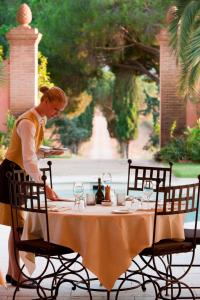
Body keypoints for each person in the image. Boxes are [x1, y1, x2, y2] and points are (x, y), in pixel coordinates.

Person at [0, 86, 68, 287]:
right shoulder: (28, 122)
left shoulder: (40, 119)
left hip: (19, 175)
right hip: (11, 175)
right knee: (18, 225)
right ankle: (17, 274)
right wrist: (46, 187)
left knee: (18, 226)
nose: (56, 114)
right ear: (45, 102)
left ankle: (14, 273)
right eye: (56, 109)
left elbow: (31, 152)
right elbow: (29, 160)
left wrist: (47, 153)